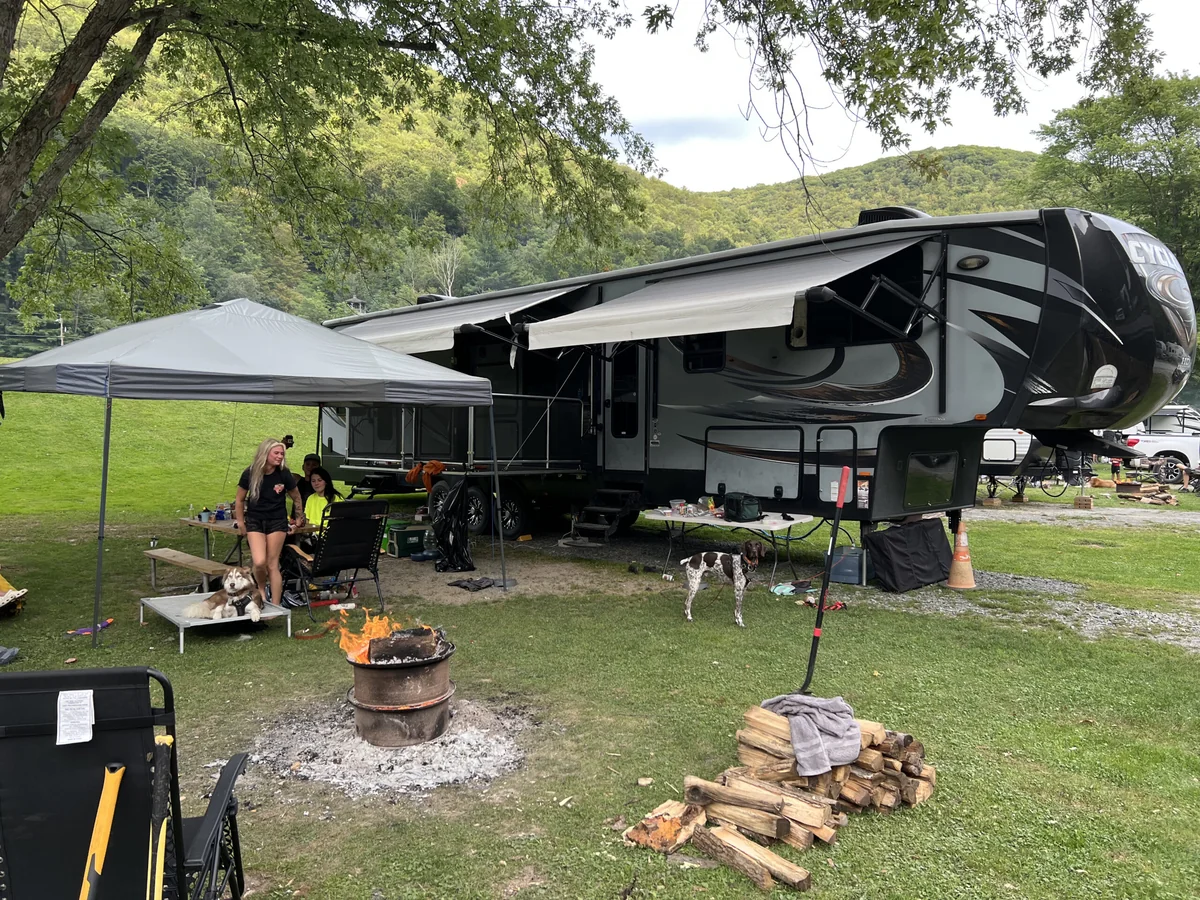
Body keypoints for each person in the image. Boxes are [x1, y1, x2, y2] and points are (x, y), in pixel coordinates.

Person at [235, 437, 305, 606]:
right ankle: (260, 590)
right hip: (255, 520)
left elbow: (296, 497)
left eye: (282, 453)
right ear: (265, 453)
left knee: (272, 564)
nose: (280, 456)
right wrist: (241, 523)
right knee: (259, 562)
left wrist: (298, 518)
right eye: (276, 453)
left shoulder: (284, 473)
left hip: (277, 521)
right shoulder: (250, 473)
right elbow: (239, 499)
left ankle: (276, 603)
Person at [303, 466, 343, 531]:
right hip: (312, 536)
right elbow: (307, 520)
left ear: (326, 481)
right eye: (313, 481)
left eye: (319, 480)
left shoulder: (336, 499)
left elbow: (340, 522)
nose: (316, 483)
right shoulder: (310, 498)